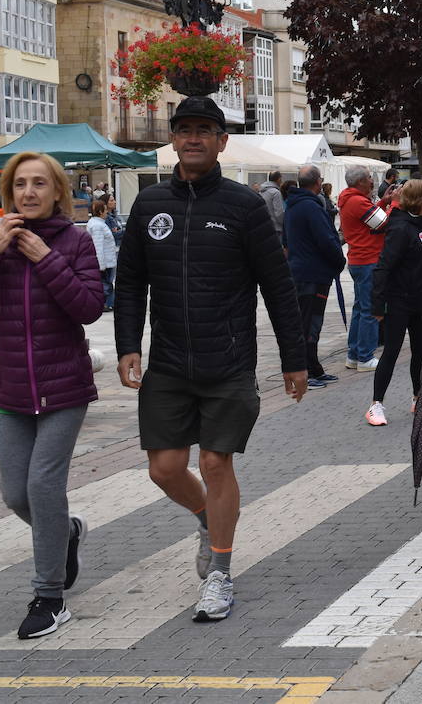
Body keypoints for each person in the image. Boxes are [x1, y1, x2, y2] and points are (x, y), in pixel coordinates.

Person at [115, 95, 307, 622]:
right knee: (165, 468)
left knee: (216, 462)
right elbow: (130, 282)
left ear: (222, 141)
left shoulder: (243, 208)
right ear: (173, 140)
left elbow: (278, 287)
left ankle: (220, 573)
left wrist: (296, 359)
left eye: (204, 130)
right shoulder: (150, 206)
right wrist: (128, 344)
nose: (193, 138)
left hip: (228, 361)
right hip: (170, 364)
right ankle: (206, 517)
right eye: (184, 130)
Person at [0, 152, 103, 639]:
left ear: (57, 191)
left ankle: (49, 596)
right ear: (8, 193)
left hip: (64, 388)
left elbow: (88, 308)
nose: (28, 192)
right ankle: (65, 532)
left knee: (43, 487)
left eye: (39, 183)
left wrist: (46, 258)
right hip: (11, 389)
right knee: (14, 494)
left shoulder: (77, 241)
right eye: (19, 184)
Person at [371, 180, 422, 426]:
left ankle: (418, 396)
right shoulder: (400, 228)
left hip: (420, 298)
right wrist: (378, 305)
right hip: (398, 299)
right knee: (391, 351)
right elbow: (383, 267)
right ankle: (376, 404)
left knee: (420, 351)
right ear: (420, 202)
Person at [285, 165, 346, 390]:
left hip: (302, 271)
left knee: (309, 322)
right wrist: (339, 261)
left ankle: (314, 368)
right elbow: (325, 239)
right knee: (309, 324)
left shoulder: (293, 205)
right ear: (318, 182)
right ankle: (306, 371)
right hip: (312, 273)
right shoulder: (310, 207)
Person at [338, 167, 387, 371]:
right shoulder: (358, 201)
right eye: (369, 178)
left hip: (358, 259)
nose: (372, 181)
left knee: (360, 308)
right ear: (360, 182)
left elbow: (371, 216)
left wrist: (384, 202)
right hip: (368, 259)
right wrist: (394, 203)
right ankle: (365, 356)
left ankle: (354, 354)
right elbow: (383, 222)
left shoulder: (349, 198)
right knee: (369, 309)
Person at [86, 199, 118, 312]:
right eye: (105, 210)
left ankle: (110, 303)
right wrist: (101, 265)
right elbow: (97, 246)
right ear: (100, 212)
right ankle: (104, 304)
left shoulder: (99, 224)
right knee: (105, 285)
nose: (106, 213)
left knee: (107, 284)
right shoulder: (97, 226)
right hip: (105, 262)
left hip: (107, 261)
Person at [260, 170, 285, 237]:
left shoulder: (262, 191)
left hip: (265, 226)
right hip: (276, 229)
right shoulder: (276, 193)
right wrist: (285, 223)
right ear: (279, 179)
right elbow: (279, 213)